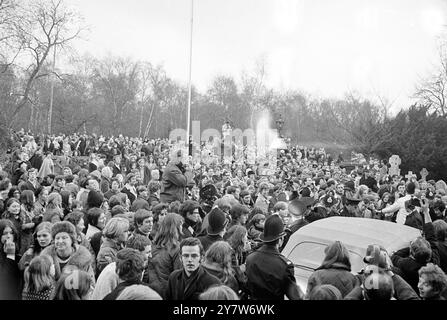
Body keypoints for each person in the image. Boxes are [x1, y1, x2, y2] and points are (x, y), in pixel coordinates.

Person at [245, 214, 303, 300]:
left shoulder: (250, 258)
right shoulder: (284, 265)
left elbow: (247, 286)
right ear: (280, 240)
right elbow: (294, 296)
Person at [92, 234, 151, 300]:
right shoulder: (112, 272)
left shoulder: (137, 267)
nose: (150, 255)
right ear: (137, 252)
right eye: (148, 252)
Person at [145, 213, 184, 298]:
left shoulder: (152, 246)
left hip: (151, 291)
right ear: (176, 228)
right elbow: (179, 276)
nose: (182, 228)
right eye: (181, 225)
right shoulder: (176, 248)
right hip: (168, 293)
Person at [0, 219, 23, 300]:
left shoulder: (16, 251)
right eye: (5, 233)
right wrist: (10, 254)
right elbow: (6, 278)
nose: (9, 236)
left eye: (11, 233)